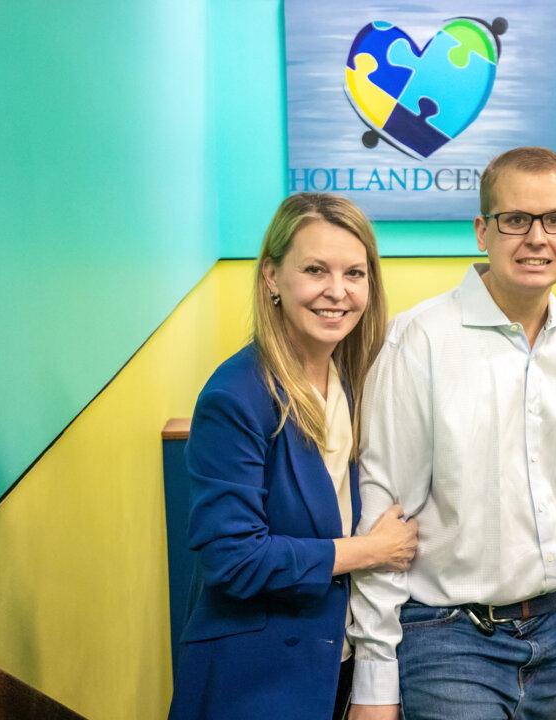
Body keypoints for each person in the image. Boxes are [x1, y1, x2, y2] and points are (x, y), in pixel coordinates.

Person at [347, 147, 556, 720]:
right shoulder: (419, 340)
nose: (536, 238)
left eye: (555, 220)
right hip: (448, 640)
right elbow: (382, 511)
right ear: (482, 230)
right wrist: (375, 682)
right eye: (514, 220)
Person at [168, 193, 419, 720]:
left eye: (355, 273)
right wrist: (368, 551)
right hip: (254, 682)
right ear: (271, 278)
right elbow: (231, 560)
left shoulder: (354, 379)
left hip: (334, 665)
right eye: (315, 270)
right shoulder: (235, 396)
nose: (337, 292)